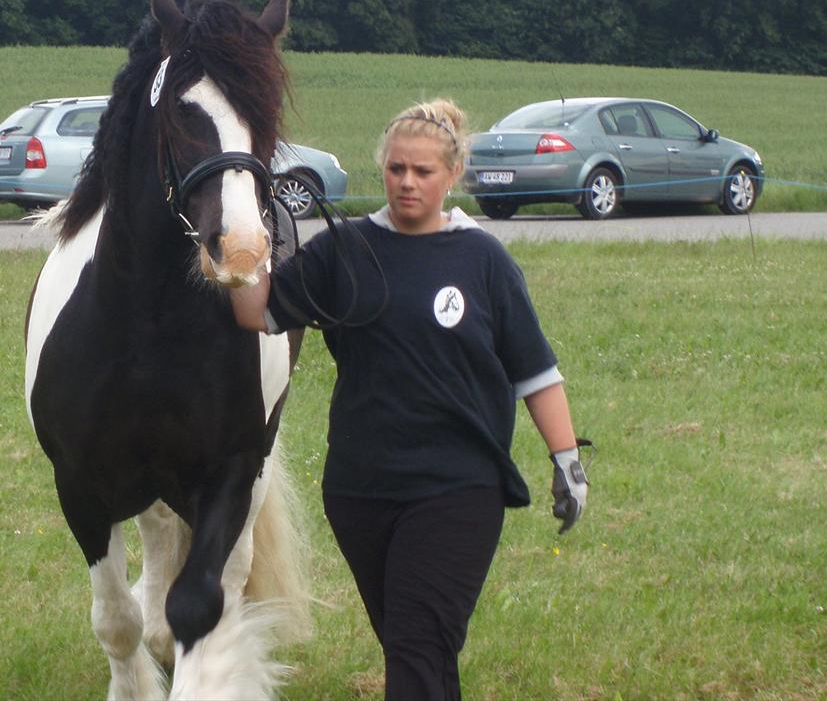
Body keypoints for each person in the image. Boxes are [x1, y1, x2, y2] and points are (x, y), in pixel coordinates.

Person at [230, 99, 589, 700]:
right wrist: (244, 246)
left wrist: (567, 461)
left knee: (418, 644)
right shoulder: (345, 250)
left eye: (423, 171)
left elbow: (535, 372)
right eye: (397, 168)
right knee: (416, 648)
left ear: (453, 174)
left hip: (457, 490)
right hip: (360, 491)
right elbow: (257, 313)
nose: (407, 182)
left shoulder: (483, 260)